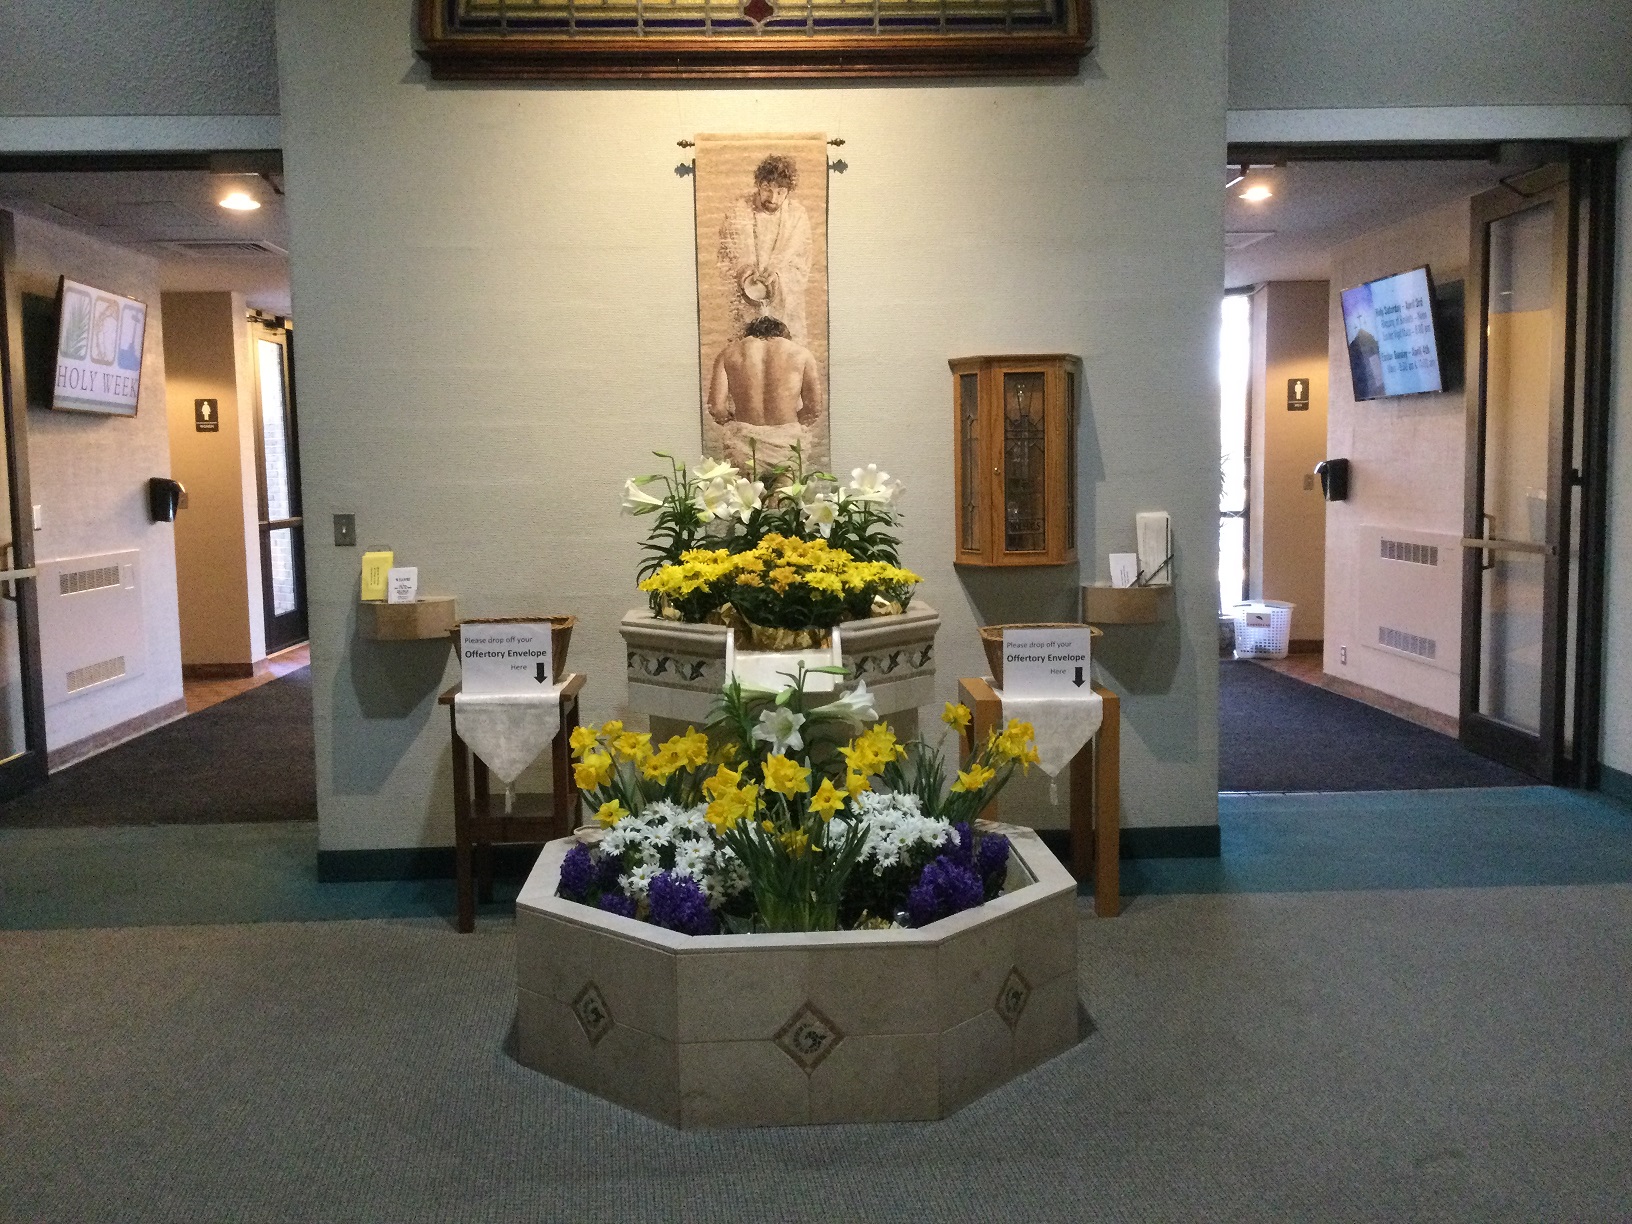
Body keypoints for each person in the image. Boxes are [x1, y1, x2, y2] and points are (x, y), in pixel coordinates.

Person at [717, 154, 813, 345]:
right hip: (747, 299)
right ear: (759, 185)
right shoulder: (738, 210)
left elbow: (802, 263)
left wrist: (777, 275)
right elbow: (726, 254)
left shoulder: (797, 216)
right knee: (748, 352)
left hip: (784, 307)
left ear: (788, 192)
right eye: (767, 189)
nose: (772, 198)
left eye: (780, 192)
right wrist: (744, 272)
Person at [707, 316, 824, 470]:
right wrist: (790, 427)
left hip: (743, 442)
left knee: (745, 486)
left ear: (749, 333)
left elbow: (716, 408)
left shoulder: (728, 354)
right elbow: (814, 408)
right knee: (786, 486)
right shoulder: (801, 354)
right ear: (783, 334)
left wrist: (734, 426)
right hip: (787, 443)